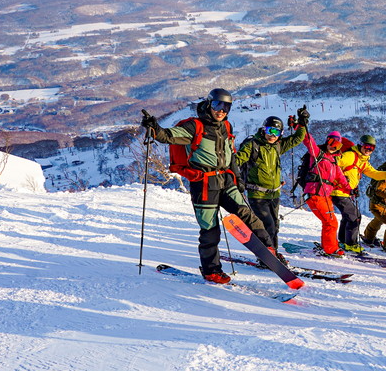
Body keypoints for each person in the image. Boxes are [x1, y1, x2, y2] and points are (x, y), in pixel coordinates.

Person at [141, 88, 276, 283]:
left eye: (226, 106)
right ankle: (211, 270)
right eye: (217, 105)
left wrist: (237, 179)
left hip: (226, 180)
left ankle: (269, 251)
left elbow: (230, 155)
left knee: (247, 215)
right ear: (209, 103)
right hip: (204, 183)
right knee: (210, 229)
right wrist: (153, 127)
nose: (221, 110)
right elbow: (167, 136)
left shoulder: (226, 126)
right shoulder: (194, 127)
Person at [234, 109, 309, 250]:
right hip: (257, 194)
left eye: (276, 132)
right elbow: (238, 160)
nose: (272, 136)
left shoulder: (277, 146)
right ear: (263, 130)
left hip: (274, 194)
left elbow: (297, 138)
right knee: (267, 225)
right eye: (270, 131)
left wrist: (302, 124)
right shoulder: (253, 145)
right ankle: (266, 255)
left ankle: (272, 253)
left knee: (274, 226)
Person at [335, 133, 386, 253]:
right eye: (367, 147)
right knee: (355, 217)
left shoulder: (363, 160)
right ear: (360, 145)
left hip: (345, 192)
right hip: (338, 191)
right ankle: (350, 244)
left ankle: (343, 240)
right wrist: (342, 178)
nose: (368, 150)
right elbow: (333, 164)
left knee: (348, 216)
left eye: (372, 148)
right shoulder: (350, 155)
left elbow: (374, 173)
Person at [300, 130, 354, 257]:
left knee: (330, 222)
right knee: (330, 222)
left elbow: (341, 179)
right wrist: (301, 126)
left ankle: (330, 246)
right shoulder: (318, 153)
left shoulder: (334, 161)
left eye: (337, 145)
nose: (333, 146)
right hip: (315, 193)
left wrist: (350, 190)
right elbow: (309, 141)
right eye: (331, 141)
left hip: (325, 196)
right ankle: (330, 249)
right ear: (326, 141)